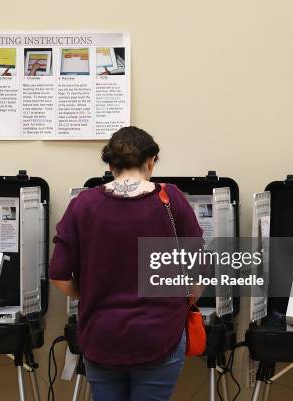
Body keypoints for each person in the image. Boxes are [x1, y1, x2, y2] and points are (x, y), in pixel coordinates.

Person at [49, 126, 203, 401]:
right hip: (160, 335)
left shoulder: (83, 204)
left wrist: (90, 294)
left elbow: (59, 275)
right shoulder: (171, 199)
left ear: (110, 165)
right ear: (151, 161)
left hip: (102, 335)